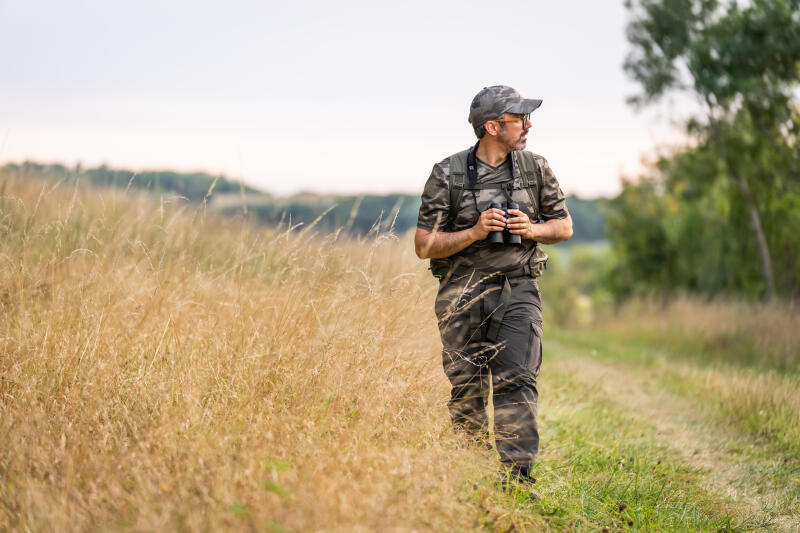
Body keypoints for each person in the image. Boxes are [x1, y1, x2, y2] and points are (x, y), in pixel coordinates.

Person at [414, 85, 572, 487]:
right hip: (459, 292)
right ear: (492, 126)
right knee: (466, 388)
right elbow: (424, 245)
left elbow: (564, 226)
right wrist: (474, 231)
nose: (528, 124)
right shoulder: (447, 173)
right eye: (519, 119)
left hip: (517, 289)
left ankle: (517, 478)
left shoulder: (536, 168)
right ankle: (469, 474)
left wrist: (531, 229)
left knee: (517, 380)